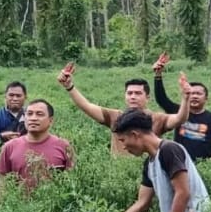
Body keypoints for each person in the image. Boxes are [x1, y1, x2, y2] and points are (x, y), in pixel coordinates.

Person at [113, 108, 210, 212]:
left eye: (123, 140)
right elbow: (142, 202)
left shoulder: (169, 150)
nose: (123, 147)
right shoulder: (149, 164)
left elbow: (183, 193)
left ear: (135, 135)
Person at [56, 63, 190, 155]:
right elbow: (87, 106)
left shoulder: (157, 118)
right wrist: (69, 87)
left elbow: (180, 118)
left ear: (147, 97)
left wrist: (186, 98)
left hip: (148, 174)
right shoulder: (115, 117)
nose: (133, 97)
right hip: (117, 175)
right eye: (129, 93)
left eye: (138, 93)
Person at [151, 53, 211, 160]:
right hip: (179, 162)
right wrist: (158, 75)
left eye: (198, 94)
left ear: (206, 98)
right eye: (192, 93)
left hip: (203, 164)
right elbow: (161, 99)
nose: (194, 96)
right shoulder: (179, 112)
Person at [0, 99, 75, 195]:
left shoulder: (64, 146)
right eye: (29, 114)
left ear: (51, 121)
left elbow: (72, 181)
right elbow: (3, 184)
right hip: (19, 207)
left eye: (39, 114)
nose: (33, 118)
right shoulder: (9, 147)